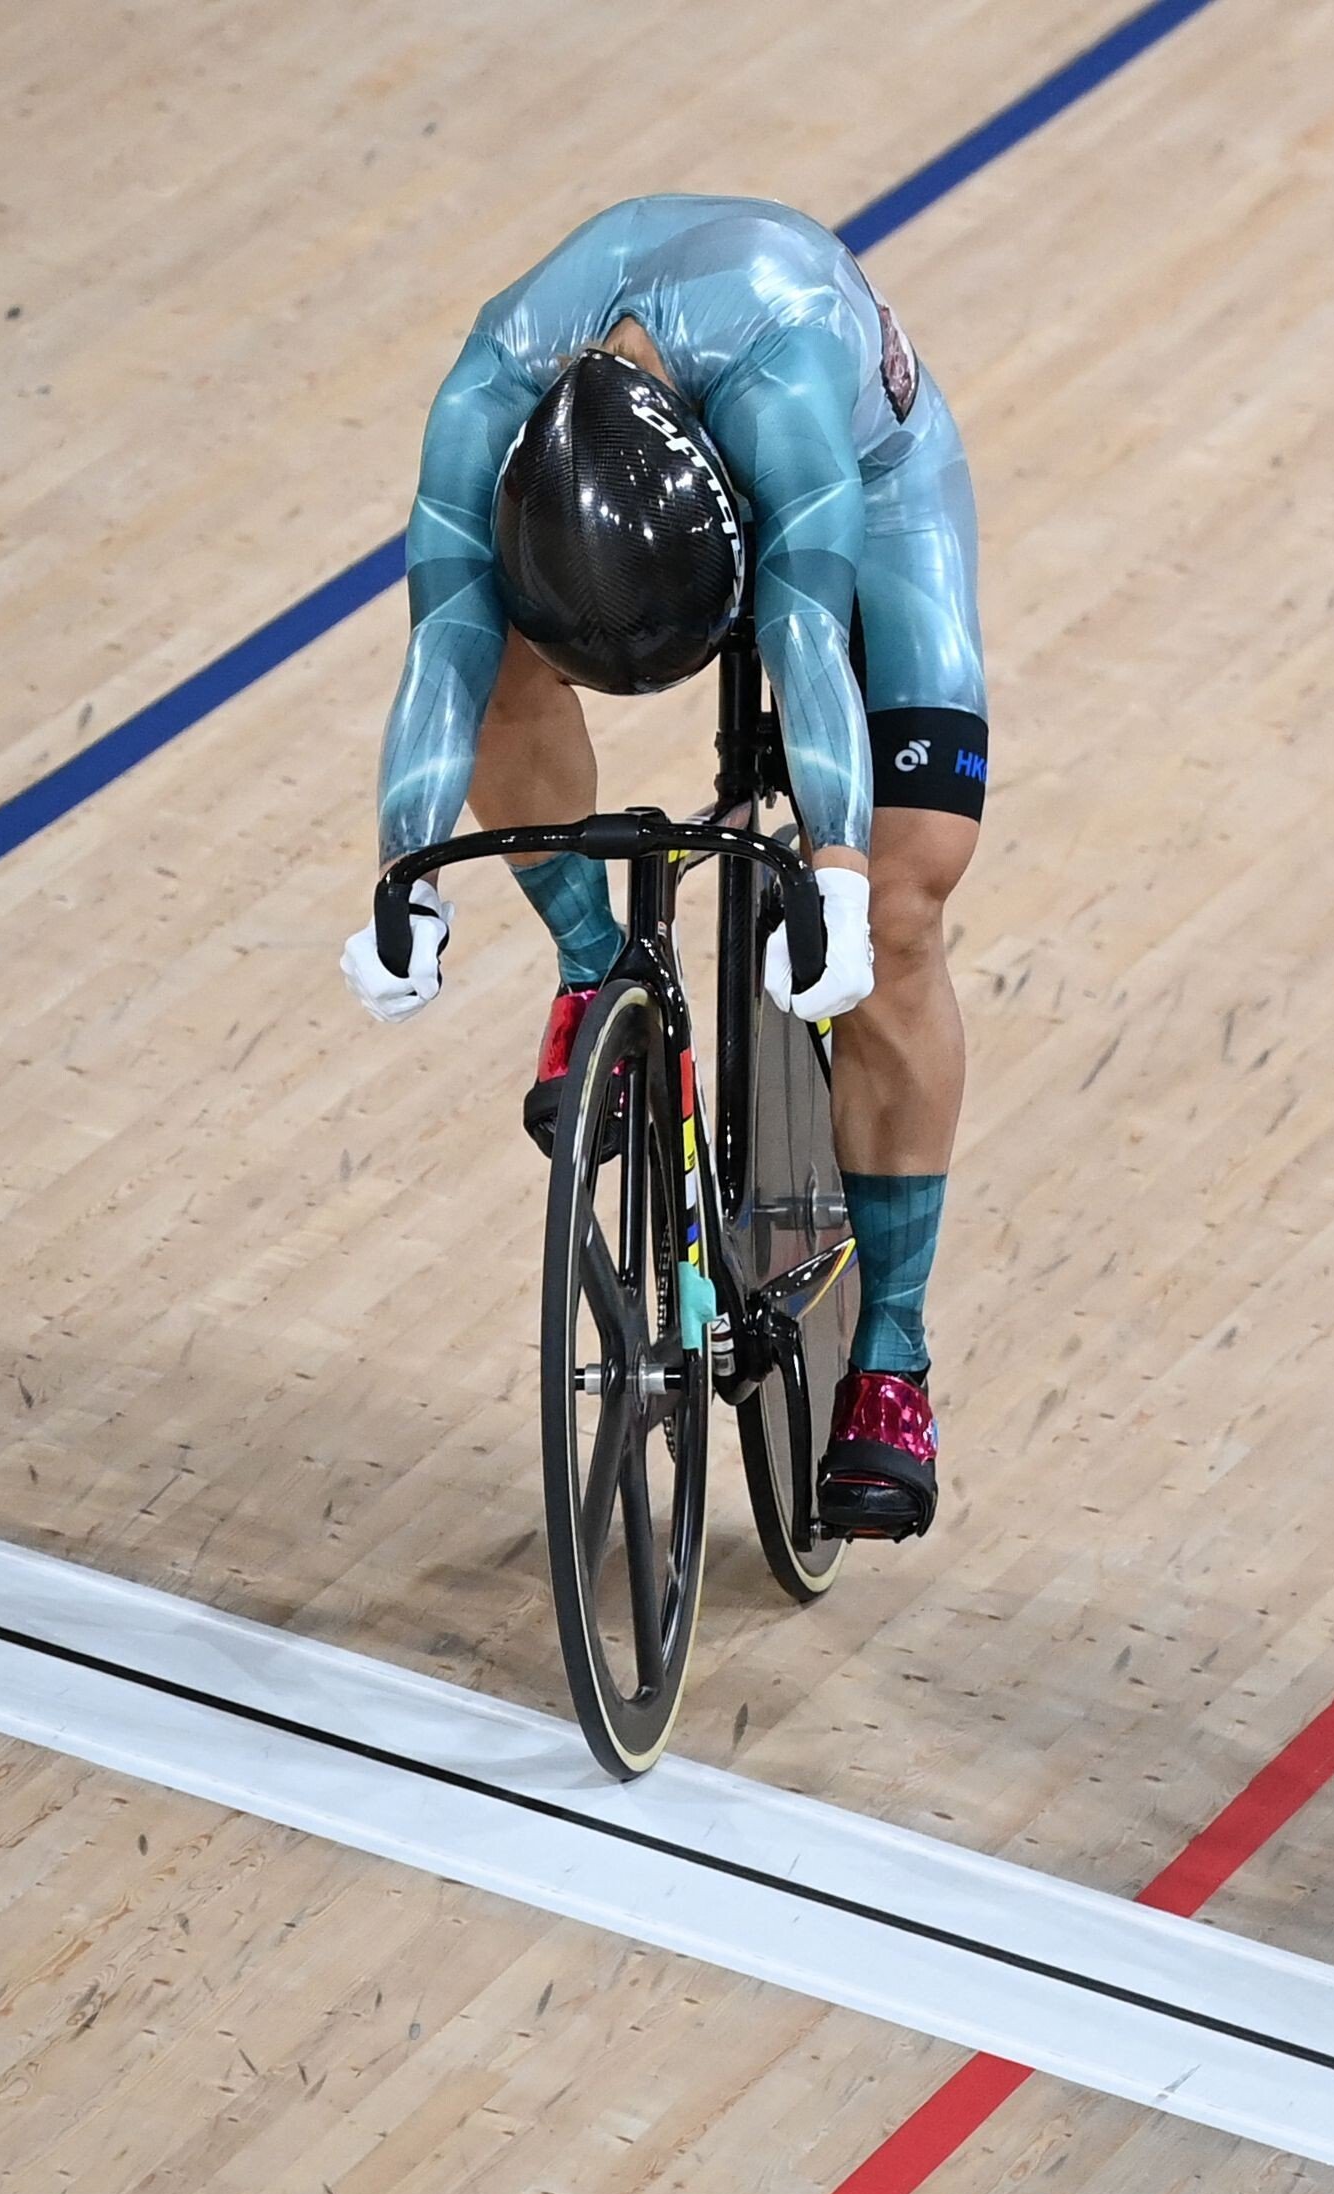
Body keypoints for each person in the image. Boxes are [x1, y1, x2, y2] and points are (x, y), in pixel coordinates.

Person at [339, 196, 988, 1541]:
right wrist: (405, 876)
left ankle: (893, 1361)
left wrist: (838, 877)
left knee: (909, 896)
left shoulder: (789, 377)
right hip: (656, 452)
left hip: (865, 492)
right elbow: (438, 660)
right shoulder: (486, 402)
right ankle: (593, 969)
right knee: (495, 662)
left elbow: (808, 641)